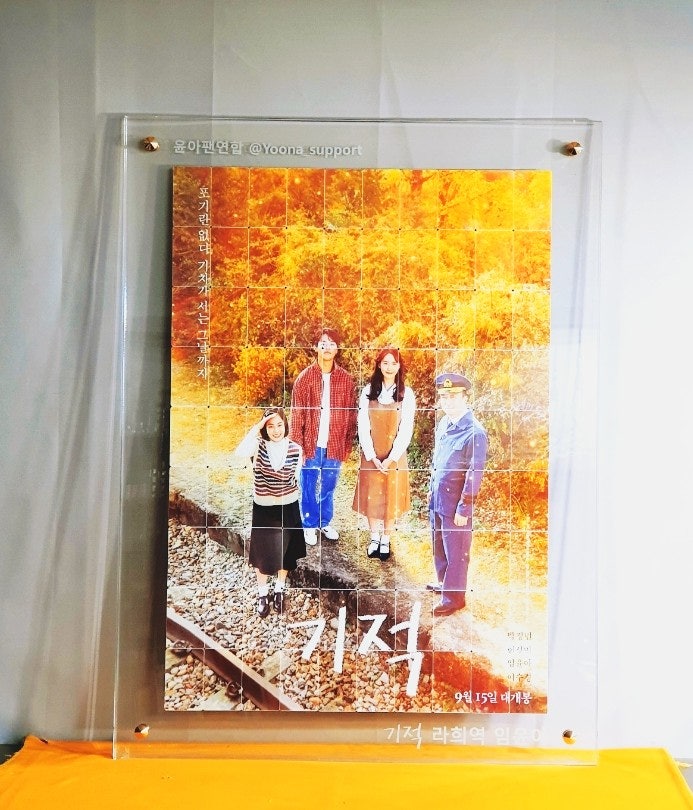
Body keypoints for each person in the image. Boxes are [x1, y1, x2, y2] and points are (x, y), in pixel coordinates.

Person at [234, 407, 306, 618]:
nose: (276, 430)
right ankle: (263, 593)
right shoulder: (257, 446)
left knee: (286, 552)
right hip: (264, 508)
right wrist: (257, 426)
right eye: (270, 426)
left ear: (286, 425)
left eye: (280, 425)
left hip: (288, 506)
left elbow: (296, 478)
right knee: (263, 554)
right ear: (264, 429)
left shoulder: (296, 449)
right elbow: (240, 451)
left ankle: (280, 589)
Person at [289, 327, 357, 545]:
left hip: (334, 443)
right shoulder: (304, 378)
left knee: (329, 485)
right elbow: (296, 414)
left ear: (337, 349)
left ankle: (324, 521)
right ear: (316, 347)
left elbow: (351, 415)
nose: (327, 347)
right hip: (310, 443)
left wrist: (347, 444)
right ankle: (309, 524)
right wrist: (297, 446)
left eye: (332, 343)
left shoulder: (346, 380)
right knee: (308, 485)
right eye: (323, 343)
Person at [428, 373, 488, 616]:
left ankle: (454, 598)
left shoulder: (475, 433)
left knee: (456, 552)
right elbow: (438, 461)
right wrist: (431, 491)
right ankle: (445, 584)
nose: (448, 401)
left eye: (453, 396)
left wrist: (465, 507)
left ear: (465, 397)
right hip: (439, 499)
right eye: (444, 396)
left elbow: (475, 473)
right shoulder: (445, 423)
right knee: (439, 546)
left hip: (456, 505)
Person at [352, 348, 416, 561]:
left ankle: (386, 538)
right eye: (385, 363)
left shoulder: (407, 394)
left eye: (394, 363)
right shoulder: (368, 391)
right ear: (379, 365)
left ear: (399, 366)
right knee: (372, 495)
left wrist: (391, 457)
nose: (389, 367)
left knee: (391, 495)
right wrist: (371, 455)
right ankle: (374, 537)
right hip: (372, 453)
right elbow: (363, 425)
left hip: (394, 455)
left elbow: (406, 429)